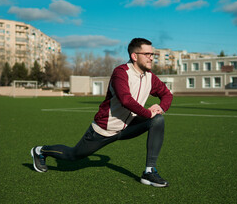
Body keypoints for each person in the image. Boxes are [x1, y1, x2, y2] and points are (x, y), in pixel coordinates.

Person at [31, 38, 173, 187]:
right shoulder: (121, 72)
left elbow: (167, 94)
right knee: (73, 155)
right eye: (147, 54)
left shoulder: (150, 76)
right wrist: (147, 113)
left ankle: (149, 172)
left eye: (153, 54)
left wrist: (161, 108)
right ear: (134, 56)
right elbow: (126, 100)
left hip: (128, 126)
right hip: (104, 129)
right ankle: (40, 151)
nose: (151, 57)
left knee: (158, 120)